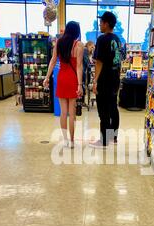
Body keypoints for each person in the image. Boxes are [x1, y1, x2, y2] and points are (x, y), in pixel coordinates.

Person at [44, 21, 84, 149]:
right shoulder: (79, 45)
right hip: (72, 79)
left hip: (61, 77)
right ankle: (72, 142)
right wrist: (79, 84)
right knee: (72, 113)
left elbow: (53, 60)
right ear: (77, 32)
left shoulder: (58, 43)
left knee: (63, 112)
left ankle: (65, 140)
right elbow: (79, 66)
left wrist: (47, 77)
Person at [90, 11, 122, 148]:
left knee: (103, 110)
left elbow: (99, 62)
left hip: (104, 80)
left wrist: (95, 80)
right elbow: (120, 60)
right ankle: (113, 137)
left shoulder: (102, 39)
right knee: (113, 108)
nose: (100, 24)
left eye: (101, 22)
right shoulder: (117, 39)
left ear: (107, 24)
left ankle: (103, 141)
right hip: (115, 79)